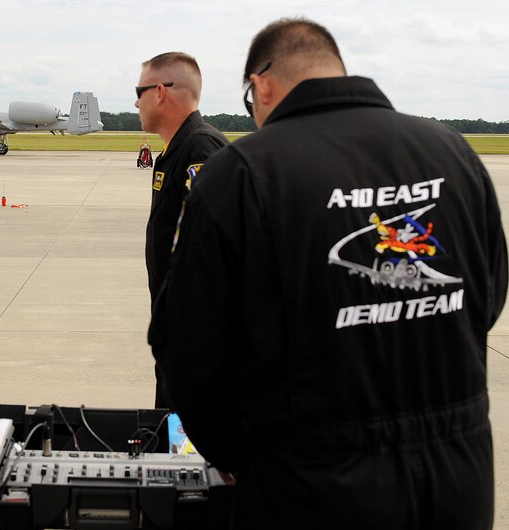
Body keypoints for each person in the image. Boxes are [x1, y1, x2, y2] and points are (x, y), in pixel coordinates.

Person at [150, 18, 507, 529]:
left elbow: (187, 349)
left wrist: (235, 456)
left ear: (261, 86)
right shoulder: (454, 153)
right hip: (457, 478)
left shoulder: (242, 173)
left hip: (310, 485)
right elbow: (487, 298)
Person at [135, 51, 228, 408]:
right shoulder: (177, 151)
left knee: (184, 427)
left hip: (197, 337)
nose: (136, 102)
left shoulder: (200, 148)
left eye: (140, 91)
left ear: (160, 92)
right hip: (178, 330)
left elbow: (215, 247)